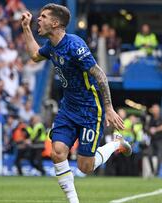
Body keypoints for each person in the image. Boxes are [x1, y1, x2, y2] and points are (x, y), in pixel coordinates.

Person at [21, 4, 132, 203]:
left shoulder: (75, 45)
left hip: (90, 109)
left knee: (85, 167)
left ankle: (115, 144)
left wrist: (108, 107)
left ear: (55, 23)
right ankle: (74, 201)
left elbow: (99, 75)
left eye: (43, 16)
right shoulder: (51, 46)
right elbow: (35, 55)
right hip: (68, 108)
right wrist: (26, 29)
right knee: (57, 152)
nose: (39, 19)